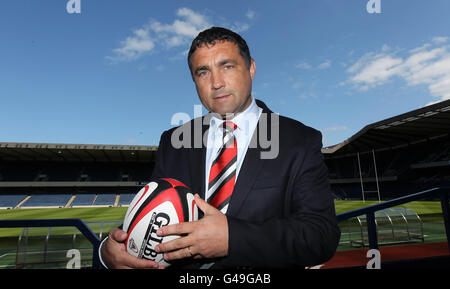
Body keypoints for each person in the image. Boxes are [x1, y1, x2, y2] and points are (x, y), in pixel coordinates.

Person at [99, 27, 340, 269]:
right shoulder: (174, 141)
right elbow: (152, 216)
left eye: (227, 66)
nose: (216, 83)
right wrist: (108, 253)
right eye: (203, 72)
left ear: (251, 68)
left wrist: (233, 238)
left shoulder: (298, 140)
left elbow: (321, 236)